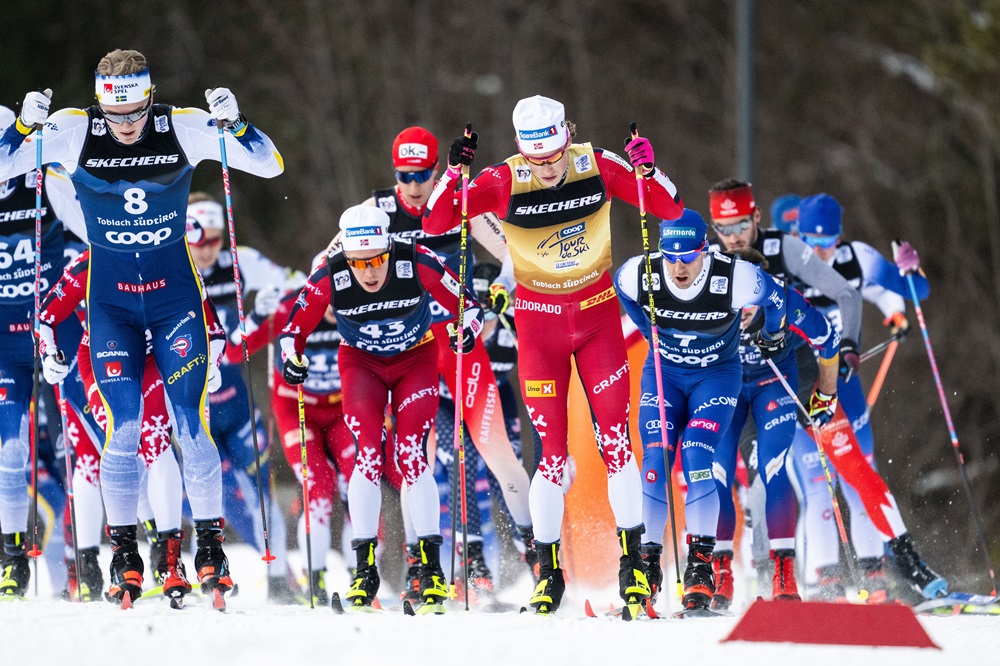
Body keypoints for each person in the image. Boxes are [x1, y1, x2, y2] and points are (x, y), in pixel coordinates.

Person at [0, 48, 284, 604]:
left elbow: (269, 164)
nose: (126, 128)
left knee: (190, 425)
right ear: (101, 104)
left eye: (135, 115)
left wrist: (238, 124)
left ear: (149, 100)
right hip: (111, 306)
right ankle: (126, 553)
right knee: (123, 429)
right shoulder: (72, 131)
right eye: (116, 116)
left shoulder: (183, 125)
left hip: (175, 299)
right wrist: (25, 128)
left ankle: (209, 548)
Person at [424, 94, 685, 613]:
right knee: (552, 457)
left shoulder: (598, 164)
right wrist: (454, 173)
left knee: (617, 443)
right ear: (522, 150)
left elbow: (670, 207)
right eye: (537, 159)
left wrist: (649, 170)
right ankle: (549, 573)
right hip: (539, 333)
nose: (547, 169)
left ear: (568, 136)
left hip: (598, 324)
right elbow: (436, 224)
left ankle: (633, 567)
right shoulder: (502, 179)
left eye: (555, 157)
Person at [279, 205, 483, 612]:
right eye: (359, 263)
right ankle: (364, 569)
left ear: (390, 248)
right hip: (361, 365)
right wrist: (292, 358)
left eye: (377, 260)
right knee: (368, 456)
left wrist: (468, 332)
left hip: (416, 361)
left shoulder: (416, 260)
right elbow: (292, 329)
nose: (369, 272)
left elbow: (470, 305)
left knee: (411, 454)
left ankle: (430, 571)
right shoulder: (330, 272)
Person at [365, 126, 534, 598]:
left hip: (460, 343)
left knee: (498, 453)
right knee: (426, 461)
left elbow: (515, 255)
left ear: (437, 169)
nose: (414, 186)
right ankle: (441, 565)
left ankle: (538, 551)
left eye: (422, 175)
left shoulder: (459, 201)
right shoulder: (376, 212)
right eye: (405, 175)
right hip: (408, 349)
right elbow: (332, 261)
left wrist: (502, 288)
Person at [615, 209, 788, 611]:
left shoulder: (735, 277)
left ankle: (700, 563)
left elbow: (777, 296)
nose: (677, 268)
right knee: (655, 462)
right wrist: (647, 329)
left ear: (705, 252)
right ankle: (648, 562)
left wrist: (773, 332)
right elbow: (621, 289)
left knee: (696, 456)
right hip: (665, 374)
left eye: (687, 258)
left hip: (716, 376)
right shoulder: (641, 272)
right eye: (670, 257)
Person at [707, 179, 863, 602]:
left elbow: (843, 297)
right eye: (723, 229)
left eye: (741, 224)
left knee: (829, 472)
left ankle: (871, 567)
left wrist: (832, 379)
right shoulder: (705, 265)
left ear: (756, 217)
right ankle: (735, 571)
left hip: (789, 374)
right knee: (729, 476)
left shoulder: (783, 253)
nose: (733, 236)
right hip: (731, 384)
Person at [789, 193, 946, 601]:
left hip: (845, 387)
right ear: (798, 234)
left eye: (828, 240)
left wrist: (911, 269)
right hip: (800, 388)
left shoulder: (857, 256)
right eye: (811, 240)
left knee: (861, 481)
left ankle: (875, 578)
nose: (820, 251)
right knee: (818, 487)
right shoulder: (789, 260)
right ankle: (826, 582)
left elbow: (917, 291)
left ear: (840, 236)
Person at [185, 193, 302, 603]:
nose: (209, 249)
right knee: (203, 497)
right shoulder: (173, 268)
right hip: (191, 411)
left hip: (236, 405)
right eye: (201, 241)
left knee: (262, 495)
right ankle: (200, 568)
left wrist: (277, 305)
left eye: (216, 240)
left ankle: (278, 579)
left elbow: (297, 284)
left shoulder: (238, 260)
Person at [711, 250, 841, 610]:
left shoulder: (782, 299)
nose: (745, 306)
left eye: (753, 295)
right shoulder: (710, 296)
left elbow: (827, 339)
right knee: (715, 470)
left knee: (773, 467)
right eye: (738, 294)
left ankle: (784, 572)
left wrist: (826, 393)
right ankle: (718, 572)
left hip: (773, 387)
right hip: (728, 388)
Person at [0, 102, 92, 596]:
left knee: (88, 437)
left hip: (56, 329)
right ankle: (14, 557)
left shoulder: (41, 176)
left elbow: (88, 227)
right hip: (5, 343)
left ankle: (108, 552)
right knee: (12, 449)